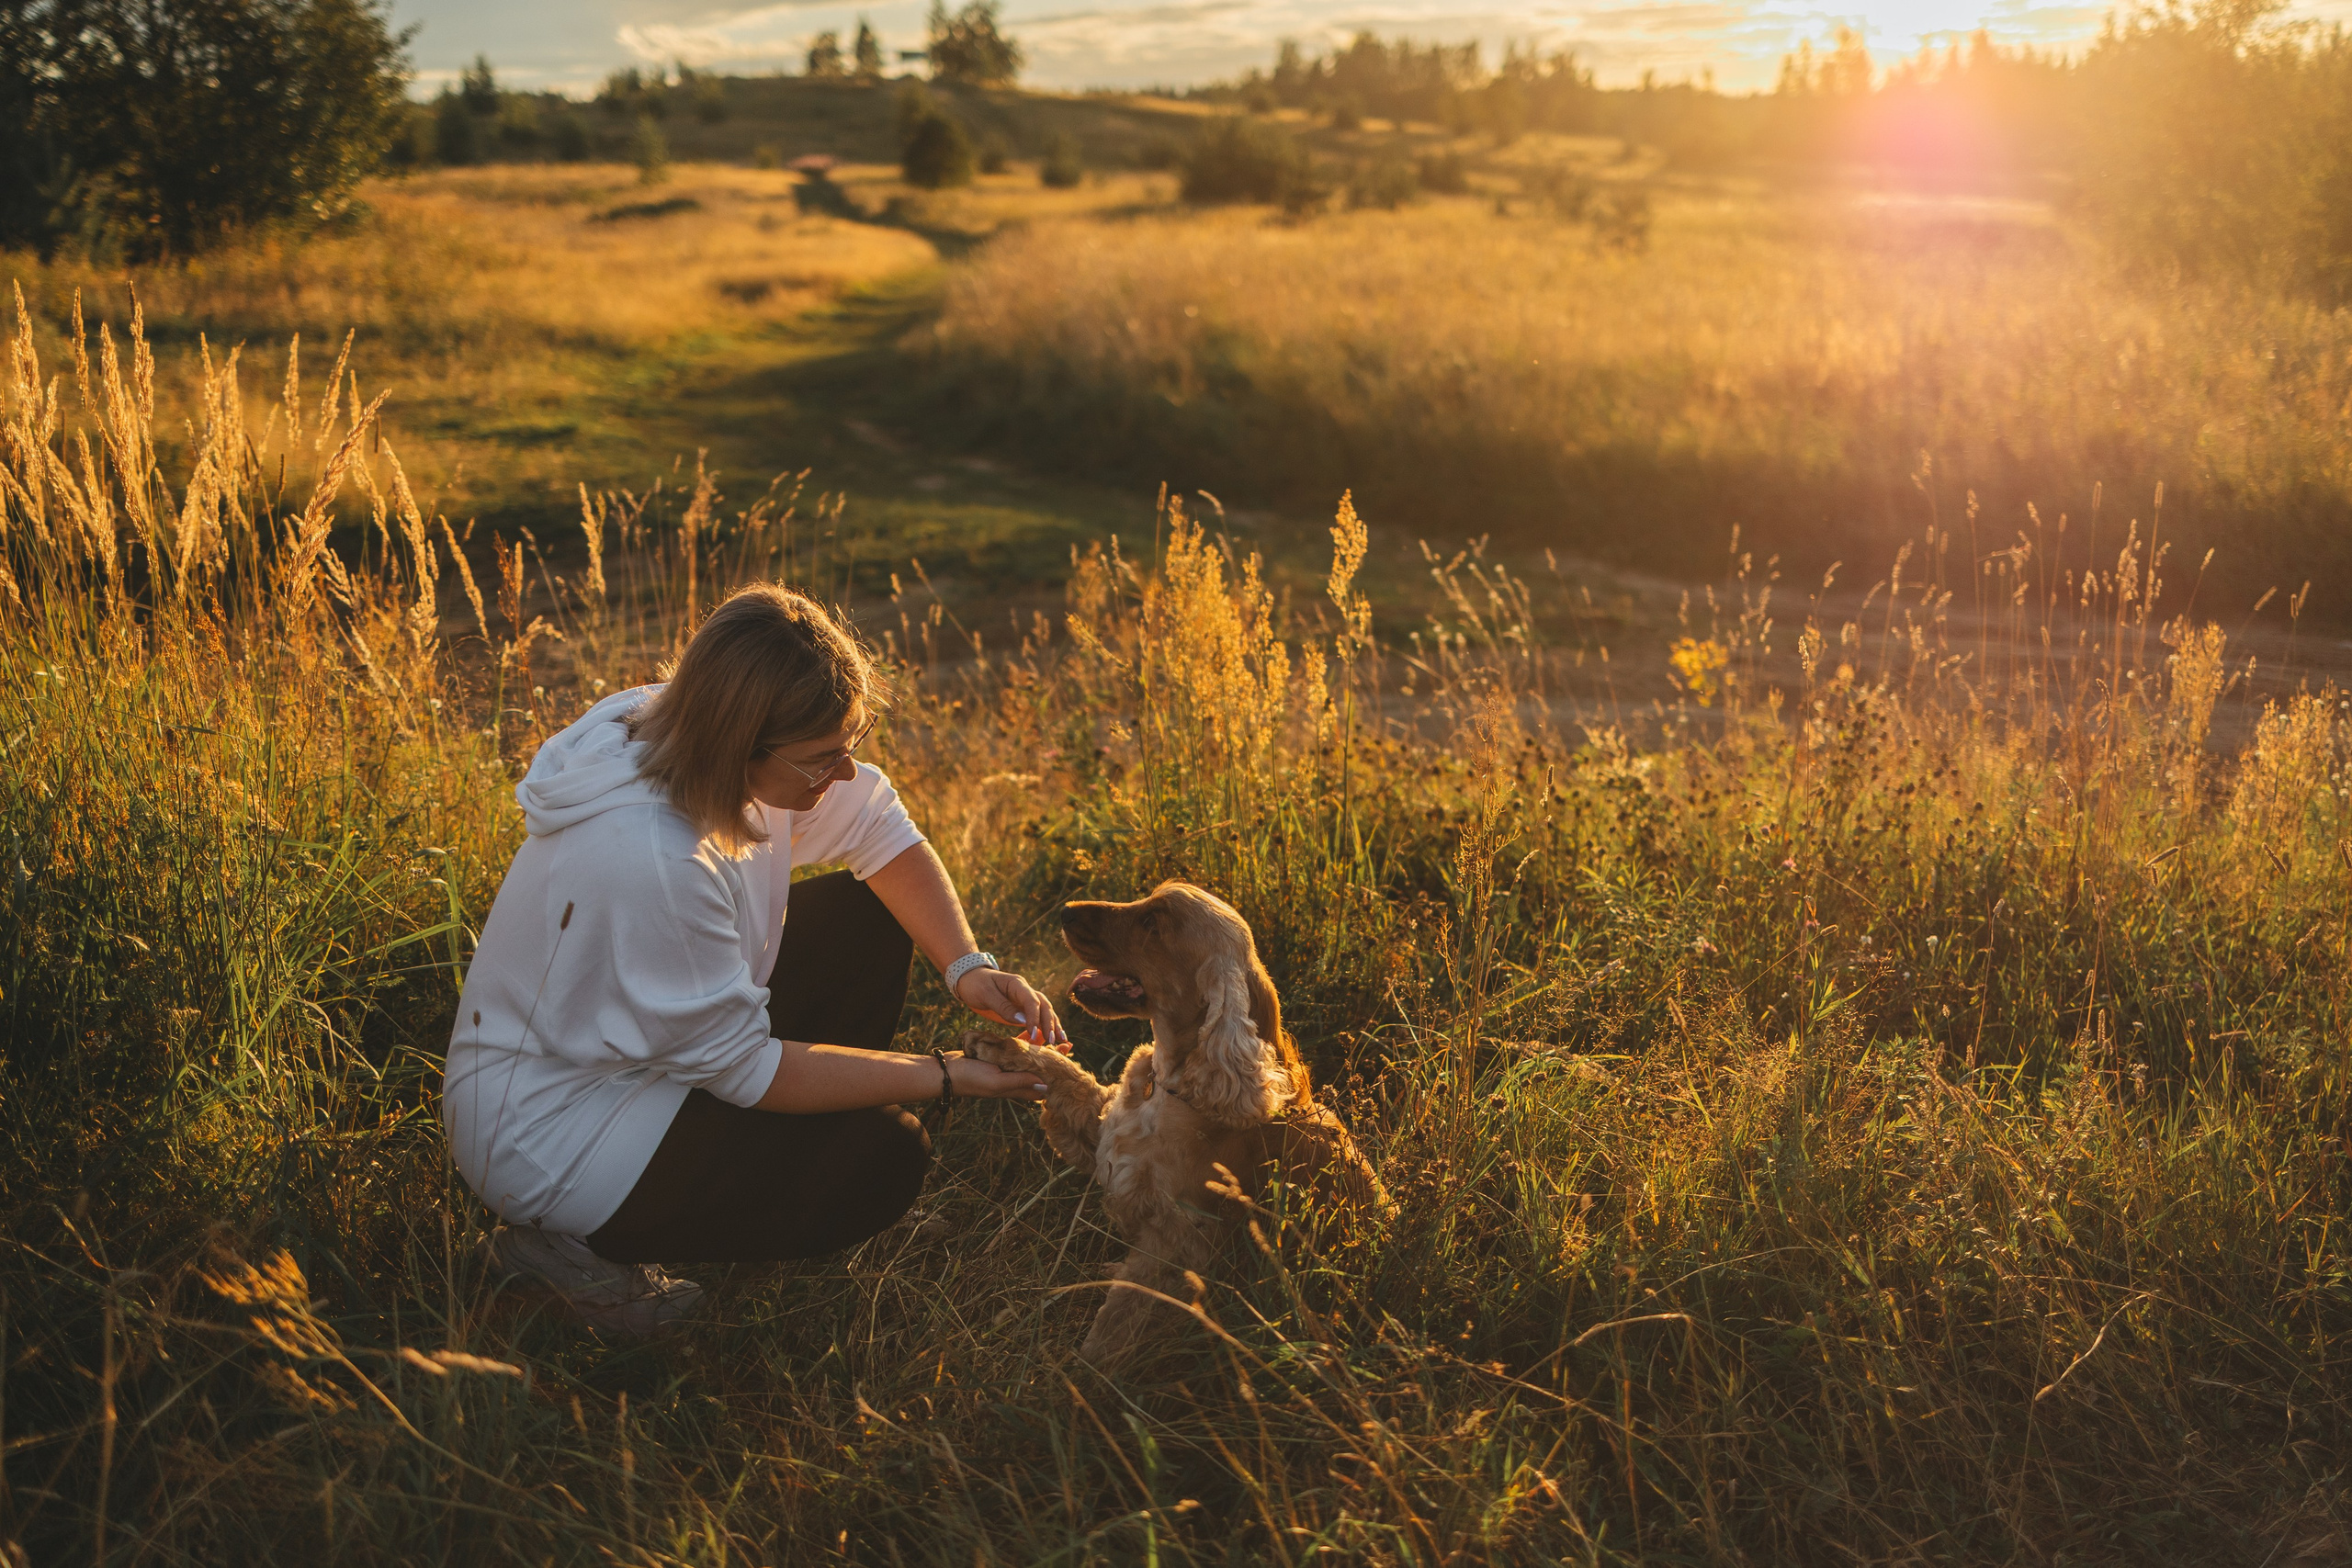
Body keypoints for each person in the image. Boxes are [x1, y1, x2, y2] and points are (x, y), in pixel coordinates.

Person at [444, 583, 1066, 1334]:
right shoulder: (653, 858)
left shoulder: (696, 731)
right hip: (553, 1132)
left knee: (867, 916)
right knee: (884, 1157)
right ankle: (566, 1255)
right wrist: (943, 1074)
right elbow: (749, 1070)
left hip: (634, 1050)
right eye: (823, 758)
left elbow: (877, 822)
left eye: (852, 743)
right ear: (743, 744)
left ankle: (769, 1163)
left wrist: (967, 966)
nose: (844, 773)